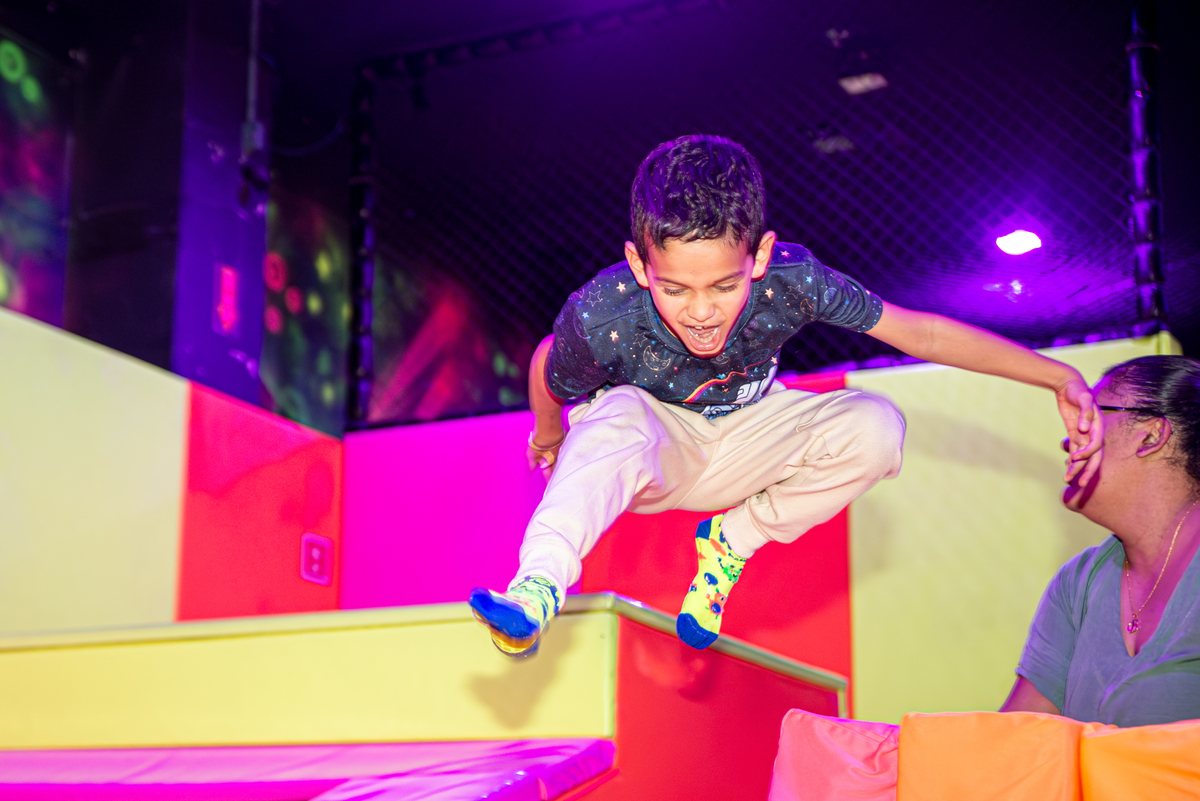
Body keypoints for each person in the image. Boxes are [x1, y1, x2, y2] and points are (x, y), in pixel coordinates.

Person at [469, 134, 1104, 657]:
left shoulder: (794, 282)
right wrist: (548, 436)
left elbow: (923, 333)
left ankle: (731, 542)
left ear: (761, 257)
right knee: (619, 413)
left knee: (877, 427)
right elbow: (547, 362)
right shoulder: (604, 312)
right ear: (640, 267)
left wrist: (1058, 376)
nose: (700, 313)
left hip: (750, 437)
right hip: (656, 452)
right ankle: (537, 588)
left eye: (724, 286)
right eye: (675, 290)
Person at [1002, 355, 1200, 726]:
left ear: (1151, 435)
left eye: (1091, 416)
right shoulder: (1078, 581)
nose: (1067, 440)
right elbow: (1018, 738)